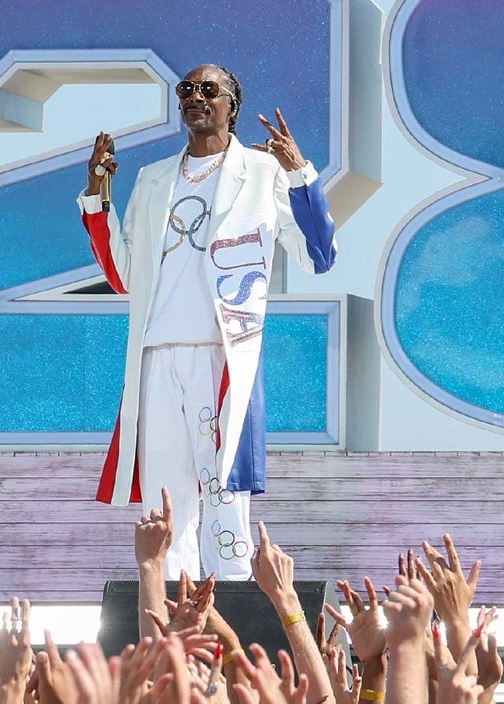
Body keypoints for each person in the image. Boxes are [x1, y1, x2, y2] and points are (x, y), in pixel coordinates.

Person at [77, 64, 336, 580]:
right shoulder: (153, 179)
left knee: (223, 493)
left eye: (208, 90)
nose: (195, 96)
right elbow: (123, 275)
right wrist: (98, 195)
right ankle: (169, 607)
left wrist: (300, 175)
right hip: (155, 353)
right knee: (164, 497)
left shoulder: (261, 173)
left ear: (230, 105)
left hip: (220, 352)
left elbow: (319, 256)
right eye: (187, 89)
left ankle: (232, 599)